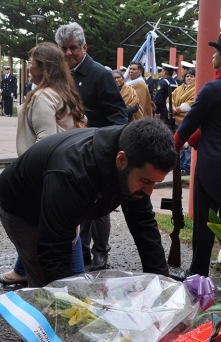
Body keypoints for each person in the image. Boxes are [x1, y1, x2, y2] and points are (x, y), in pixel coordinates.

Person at [0, 118, 175, 342]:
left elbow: (144, 224)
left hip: (65, 210)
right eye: (146, 181)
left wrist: (162, 288)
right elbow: (53, 252)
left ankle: (34, 338)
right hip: (24, 211)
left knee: (76, 292)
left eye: (155, 183)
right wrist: (66, 311)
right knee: (57, 292)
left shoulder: (133, 160)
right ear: (121, 160)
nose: (150, 191)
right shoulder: (73, 171)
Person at [0, 42, 87, 286]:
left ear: (43, 67)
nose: (28, 66)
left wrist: (36, 185)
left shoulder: (44, 96)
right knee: (68, 232)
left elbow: (46, 144)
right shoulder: (64, 93)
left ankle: (71, 297)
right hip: (67, 177)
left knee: (61, 239)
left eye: (32, 62)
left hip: (47, 180)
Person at [170, 27, 221, 281]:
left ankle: (198, 272)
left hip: (212, 164)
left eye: (217, 51)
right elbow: (220, 125)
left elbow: (187, 127)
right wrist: (194, 139)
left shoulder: (212, 89)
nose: (213, 55)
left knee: (204, 225)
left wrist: (171, 148)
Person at [55, 22, 128, 271]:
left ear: (84, 47)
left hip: (98, 149)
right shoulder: (61, 75)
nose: (68, 54)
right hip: (72, 151)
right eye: (63, 49)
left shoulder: (100, 74)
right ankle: (81, 251)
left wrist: (106, 142)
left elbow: (119, 115)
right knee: (78, 204)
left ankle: (101, 252)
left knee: (99, 207)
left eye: (73, 48)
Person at [172, 67, 196, 175]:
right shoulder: (179, 88)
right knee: (179, 142)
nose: (189, 78)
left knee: (187, 144)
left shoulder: (196, 88)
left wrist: (179, 108)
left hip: (187, 118)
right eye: (187, 76)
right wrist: (172, 107)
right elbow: (170, 98)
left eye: (191, 76)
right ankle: (179, 164)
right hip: (177, 118)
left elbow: (193, 102)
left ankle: (187, 166)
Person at [152, 62, 178, 127]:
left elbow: (158, 99)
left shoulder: (163, 82)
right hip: (173, 110)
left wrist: (157, 111)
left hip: (163, 111)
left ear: (165, 72)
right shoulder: (175, 82)